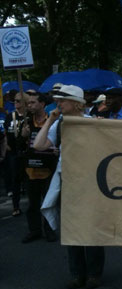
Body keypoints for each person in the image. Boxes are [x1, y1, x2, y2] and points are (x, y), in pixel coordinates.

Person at [34, 85, 105, 289]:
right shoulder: (60, 124)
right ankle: (76, 274)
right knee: (71, 229)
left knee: (91, 228)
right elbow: (38, 145)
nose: (58, 104)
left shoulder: (94, 124)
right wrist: (50, 120)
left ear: (76, 104)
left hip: (91, 183)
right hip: (69, 183)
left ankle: (94, 273)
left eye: (62, 100)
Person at [20, 91, 58, 243]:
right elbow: (20, 146)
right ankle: (34, 230)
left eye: (33, 102)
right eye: (28, 103)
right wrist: (22, 135)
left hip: (48, 169)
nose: (30, 106)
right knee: (32, 204)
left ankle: (49, 230)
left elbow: (58, 140)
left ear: (42, 104)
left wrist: (56, 149)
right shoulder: (26, 122)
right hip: (31, 170)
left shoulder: (52, 121)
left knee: (48, 202)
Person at [4, 91, 28, 217]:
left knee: (29, 179)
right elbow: (6, 132)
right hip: (13, 152)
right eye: (14, 100)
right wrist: (6, 144)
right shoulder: (10, 116)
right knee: (15, 180)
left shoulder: (29, 116)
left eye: (18, 101)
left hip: (27, 152)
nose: (15, 103)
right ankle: (16, 206)